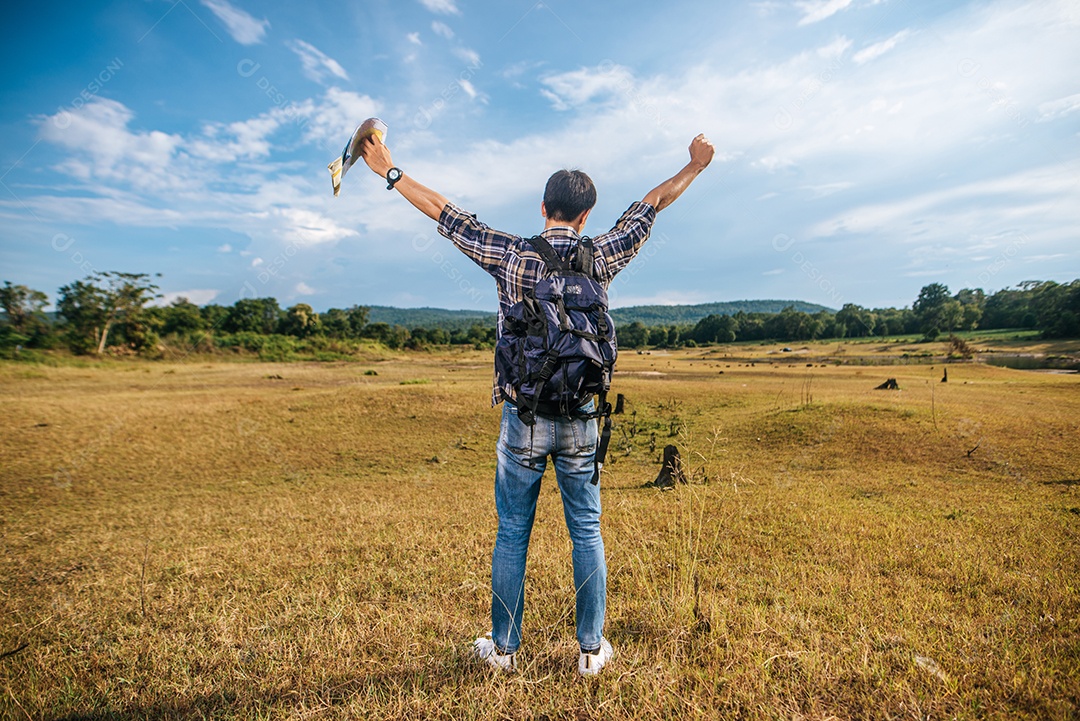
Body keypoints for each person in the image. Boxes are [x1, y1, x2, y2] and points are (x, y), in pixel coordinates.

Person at [358, 132, 714, 676]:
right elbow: (653, 203)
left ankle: (503, 650)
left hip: (522, 417)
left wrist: (387, 168)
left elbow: (444, 213)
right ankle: (591, 651)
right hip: (582, 417)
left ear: (543, 207)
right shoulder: (605, 253)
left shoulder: (511, 254)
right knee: (587, 530)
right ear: (587, 214)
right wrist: (695, 166)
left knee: (512, 533)